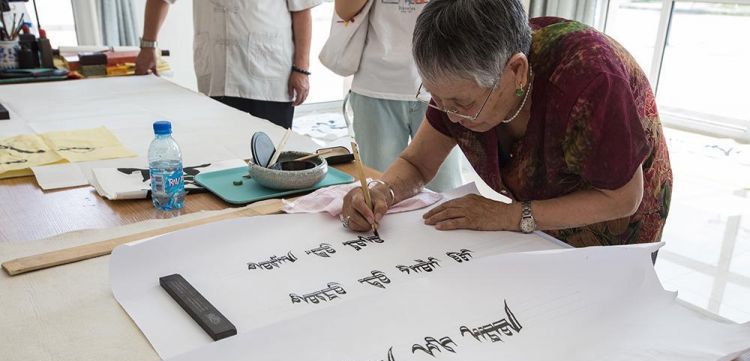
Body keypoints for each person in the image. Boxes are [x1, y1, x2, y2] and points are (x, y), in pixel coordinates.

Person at [342, 0, 672, 248]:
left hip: (613, 221)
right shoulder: (464, 78)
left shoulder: (587, 78)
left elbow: (622, 197)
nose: (451, 116)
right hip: (537, 219)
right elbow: (417, 162)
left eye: (462, 104)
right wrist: (381, 190)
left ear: (517, 71)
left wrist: (508, 215)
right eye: (436, 98)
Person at [334, 0, 463, 192]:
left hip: (443, 80)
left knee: (445, 193)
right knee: (379, 190)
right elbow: (344, 10)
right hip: (376, 83)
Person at [135, 0, 320, 128]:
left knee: (272, 160)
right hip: (217, 73)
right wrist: (148, 45)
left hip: (269, 76)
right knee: (223, 160)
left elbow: (302, 10)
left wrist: (301, 69)